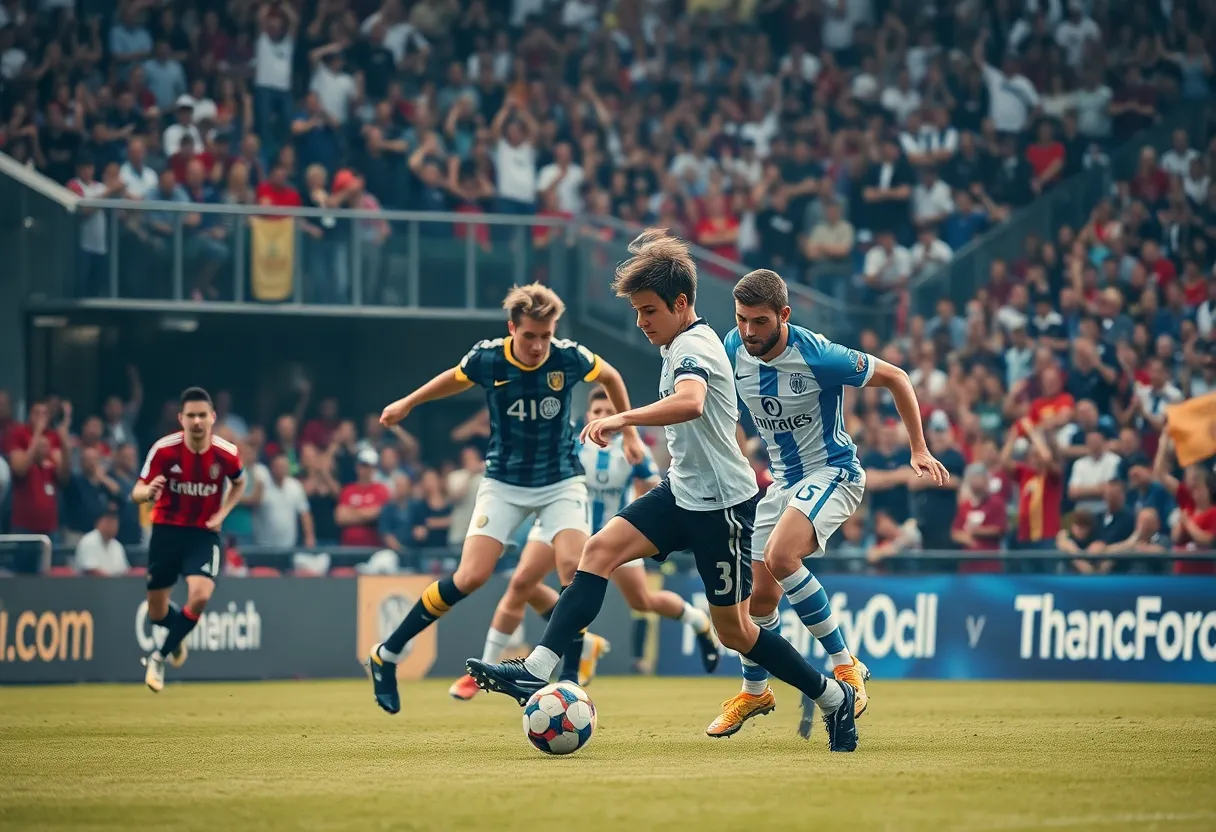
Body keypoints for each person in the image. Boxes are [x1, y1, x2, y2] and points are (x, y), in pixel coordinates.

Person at [466, 230, 861, 752]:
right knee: (598, 550)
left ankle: (831, 697)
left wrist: (624, 419)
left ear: (681, 304)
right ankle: (538, 668)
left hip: (723, 506)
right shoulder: (677, 341)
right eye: (636, 311)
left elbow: (692, 402)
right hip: (682, 492)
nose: (640, 321)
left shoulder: (694, 345)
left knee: (737, 633)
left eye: (648, 310)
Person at [368, 284, 643, 714]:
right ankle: (387, 655)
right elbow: (454, 379)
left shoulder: (569, 357)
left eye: (545, 336)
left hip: (560, 480)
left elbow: (611, 376)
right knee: (471, 577)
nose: (537, 346)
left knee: (575, 568)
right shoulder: (489, 358)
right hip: (504, 481)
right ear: (512, 327)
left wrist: (628, 433)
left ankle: (568, 679)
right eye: (529, 335)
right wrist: (408, 403)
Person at [717, 269, 948, 739]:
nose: (748, 332)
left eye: (759, 321)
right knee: (758, 599)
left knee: (783, 557)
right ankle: (755, 690)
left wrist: (918, 448)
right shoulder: (732, 347)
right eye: (741, 320)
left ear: (783, 314)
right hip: (781, 484)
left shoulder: (818, 354)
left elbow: (898, 378)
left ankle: (846, 667)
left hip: (833, 473)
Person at [447, 386, 718, 701]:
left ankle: (697, 620)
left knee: (642, 601)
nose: (602, 417)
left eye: (608, 412)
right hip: (563, 525)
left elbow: (652, 491)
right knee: (521, 583)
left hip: (612, 536)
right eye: (597, 412)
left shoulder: (632, 449)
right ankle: (483, 675)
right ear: (588, 415)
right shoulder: (571, 442)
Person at [131, 388, 247, 692]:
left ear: (212, 417)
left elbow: (239, 482)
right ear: (181, 419)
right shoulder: (164, 450)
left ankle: (159, 656)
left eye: (202, 415)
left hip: (203, 533)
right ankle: (176, 636)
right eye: (191, 416)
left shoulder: (226, 452)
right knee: (157, 611)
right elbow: (136, 491)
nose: (197, 421)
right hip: (167, 531)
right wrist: (148, 493)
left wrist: (224, 512)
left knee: (200, 595)